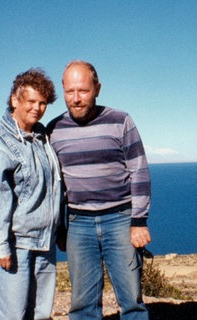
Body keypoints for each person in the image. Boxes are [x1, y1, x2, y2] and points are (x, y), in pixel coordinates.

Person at [47, 60, 152, 320]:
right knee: (82, 304)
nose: (76, 98)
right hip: (77, 224)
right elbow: (54, 185)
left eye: (83, 91)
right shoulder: (54, 130)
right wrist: (60, 228)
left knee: (131, 299)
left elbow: (138, 171)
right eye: (70, 92)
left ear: (97, 88)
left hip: (119, 220)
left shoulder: (121, 121)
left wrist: (138, 221)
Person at [0, 68, 62, 320]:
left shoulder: (42, 138)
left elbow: (52, 189)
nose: (37, 108)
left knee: (40, 313)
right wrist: (0, 246)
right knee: (12, 315)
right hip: (16, 244)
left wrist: (60, 229)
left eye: (43, 103)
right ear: (15, 100)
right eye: (31, 101)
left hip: (44, 242)